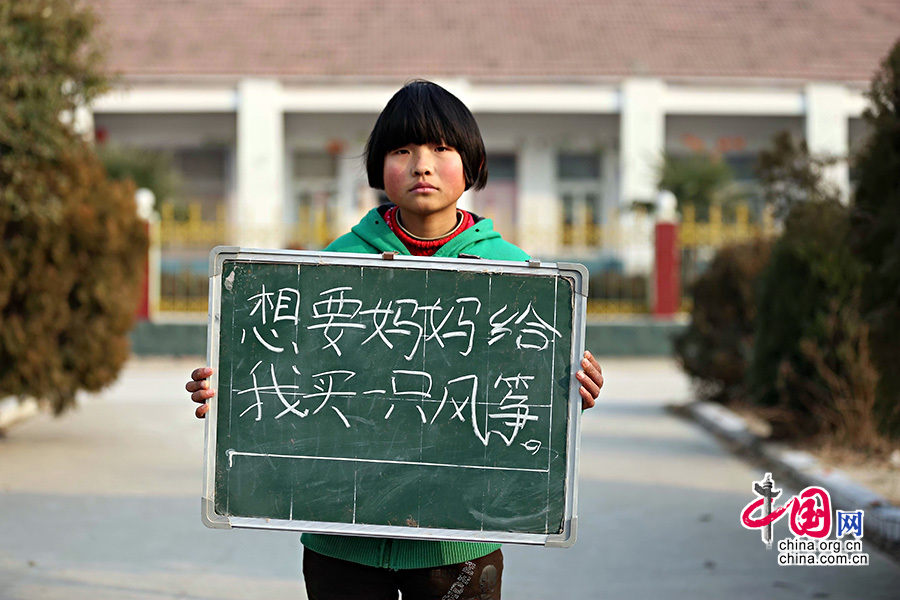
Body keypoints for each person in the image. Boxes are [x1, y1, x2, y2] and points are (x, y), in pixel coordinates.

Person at [186, 79, 604, 600]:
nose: (420, 165)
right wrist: (228, 390)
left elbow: (526, 403)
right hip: (343, 540)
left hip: (457, 546)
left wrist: (570, 392)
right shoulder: (335, 263)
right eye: (401, 150)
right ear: (379, 167)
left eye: (441, 149)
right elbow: (284, 368)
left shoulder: (516, 276)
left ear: (472, 165)